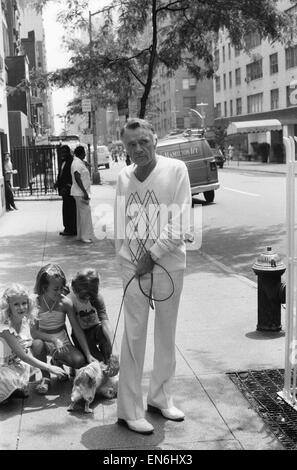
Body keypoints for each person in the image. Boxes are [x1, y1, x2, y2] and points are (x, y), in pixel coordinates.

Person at [114, 118, 191, 435]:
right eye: (131, 144)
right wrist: (126, 260)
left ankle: (160, 398)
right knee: (133, 338)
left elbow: (180, 221)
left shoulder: (176, 170)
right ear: (125, 148)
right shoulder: (123, 176)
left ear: (155, 140)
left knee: (165, 335)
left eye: (143, 141)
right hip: (133, 268)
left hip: (168, 265)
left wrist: (153, 255)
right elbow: (120, 222)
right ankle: (129, 409)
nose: (138, 149)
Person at [31, 264, 96, 394]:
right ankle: (46, 377)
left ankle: (57, 360)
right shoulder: (35, 303)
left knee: (79, 361)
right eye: (56, 289)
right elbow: (34, 332)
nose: (60, 291)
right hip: (44, 340)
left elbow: (77, 329)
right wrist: (53, 339)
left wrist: (88, 354)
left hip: (62, 342)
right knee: (36, 344)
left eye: (62, 288)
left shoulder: (65, 302)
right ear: (44, 287)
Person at [0, 284, 67, 404]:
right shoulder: (5, 328)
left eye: (24, 303)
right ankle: (8, 391)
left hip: (15, 362)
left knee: (33, 347)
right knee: (4, 390)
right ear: (8, 306)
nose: (21, 307)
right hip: (5, 364)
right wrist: (49, 367)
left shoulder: (23, 319)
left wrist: (52, 340)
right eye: (16, 304)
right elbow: (23, 356)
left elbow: (28, 341)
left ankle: (16, 388)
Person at [68, 268, 119, 376]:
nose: (86, 300)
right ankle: (74, 362)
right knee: (95, 363)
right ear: (74, 289)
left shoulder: (97, 297)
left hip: (96, 329)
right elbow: (76, 329)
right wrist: (87, 354)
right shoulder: (69, 296)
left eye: (89, 298)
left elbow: (105, 323)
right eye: (82, 298)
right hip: (80, 334)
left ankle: (108, 361)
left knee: (105, 359)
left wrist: (114, 350)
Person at [71, 145, 95, 244]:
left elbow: (81, 167)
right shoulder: (77, 163)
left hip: (79, 192)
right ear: (81, 153)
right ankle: (85, 236)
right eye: (84, 152)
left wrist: (85, 163)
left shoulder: (78, 162)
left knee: (81, 214)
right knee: (85, 214)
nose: (85, 154)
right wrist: (84, 192)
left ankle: (80, 235)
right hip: (80, 192)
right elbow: (77, 177)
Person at [54, 145, 77, 236]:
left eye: (64, 152)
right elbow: (61, 174)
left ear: (68, 152)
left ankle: (71, 228)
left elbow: (71, 176)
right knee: (66, 209)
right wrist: (57, 183)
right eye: (61, 152)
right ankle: (67, 227)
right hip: (63, 190)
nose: (62, 154)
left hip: (69, 190)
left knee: (70, 210)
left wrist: (67, 187)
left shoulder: (71, 162)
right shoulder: (63, 161)